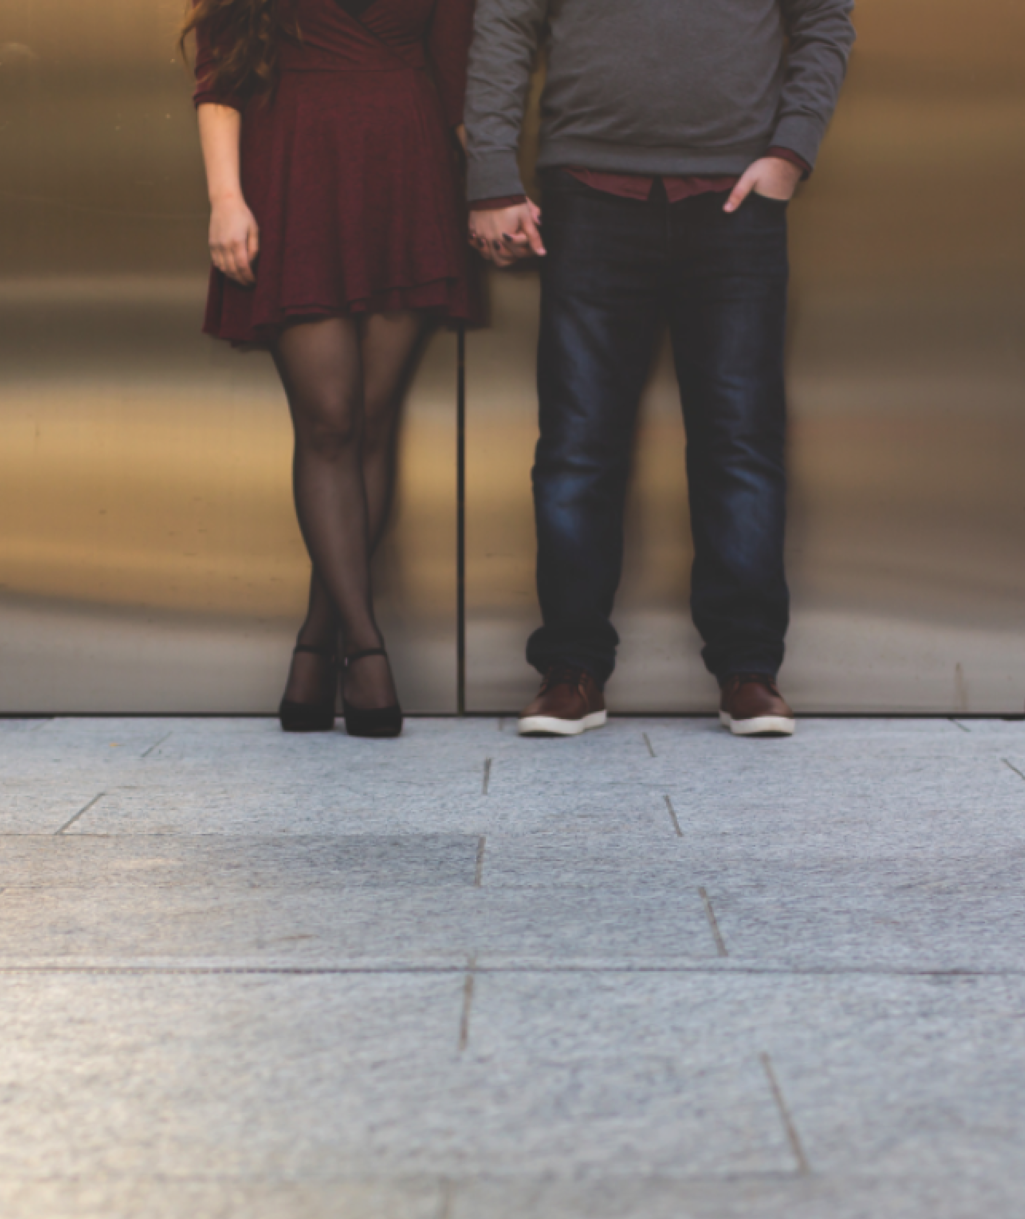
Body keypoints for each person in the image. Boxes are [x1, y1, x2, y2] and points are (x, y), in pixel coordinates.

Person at [464, 0, 855, 740]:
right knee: (577, 448)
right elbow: (505, 21)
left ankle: (748, 670)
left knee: (740, 443)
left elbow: (826, 17)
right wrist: (490, 174)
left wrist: (791, 152)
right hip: (587, 195)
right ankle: (571, 670)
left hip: (737, 198)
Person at [190, 0, 477, 738]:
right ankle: (367, 647)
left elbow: (455, 76)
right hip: (293, 167)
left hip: (407, 170)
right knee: (329, 422)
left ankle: (316, 649)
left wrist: (491, 190)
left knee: (370, 425)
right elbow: (220, 76)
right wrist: (225, 198)